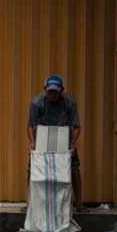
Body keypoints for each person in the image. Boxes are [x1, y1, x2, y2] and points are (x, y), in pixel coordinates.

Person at [27, 74, 82, 207]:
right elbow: (30, 126)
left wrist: (73, 143)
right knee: (31, 167)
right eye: (50, 92)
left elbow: (77, 126)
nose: (52, 95)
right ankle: (29, 203)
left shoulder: (70, 102)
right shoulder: (37, 102)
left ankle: (79, 203)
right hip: (42, 137)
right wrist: (32, 143)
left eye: (55, 92)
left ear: (61, 90)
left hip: (64, 138)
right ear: (45, 89)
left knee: (74, 168)